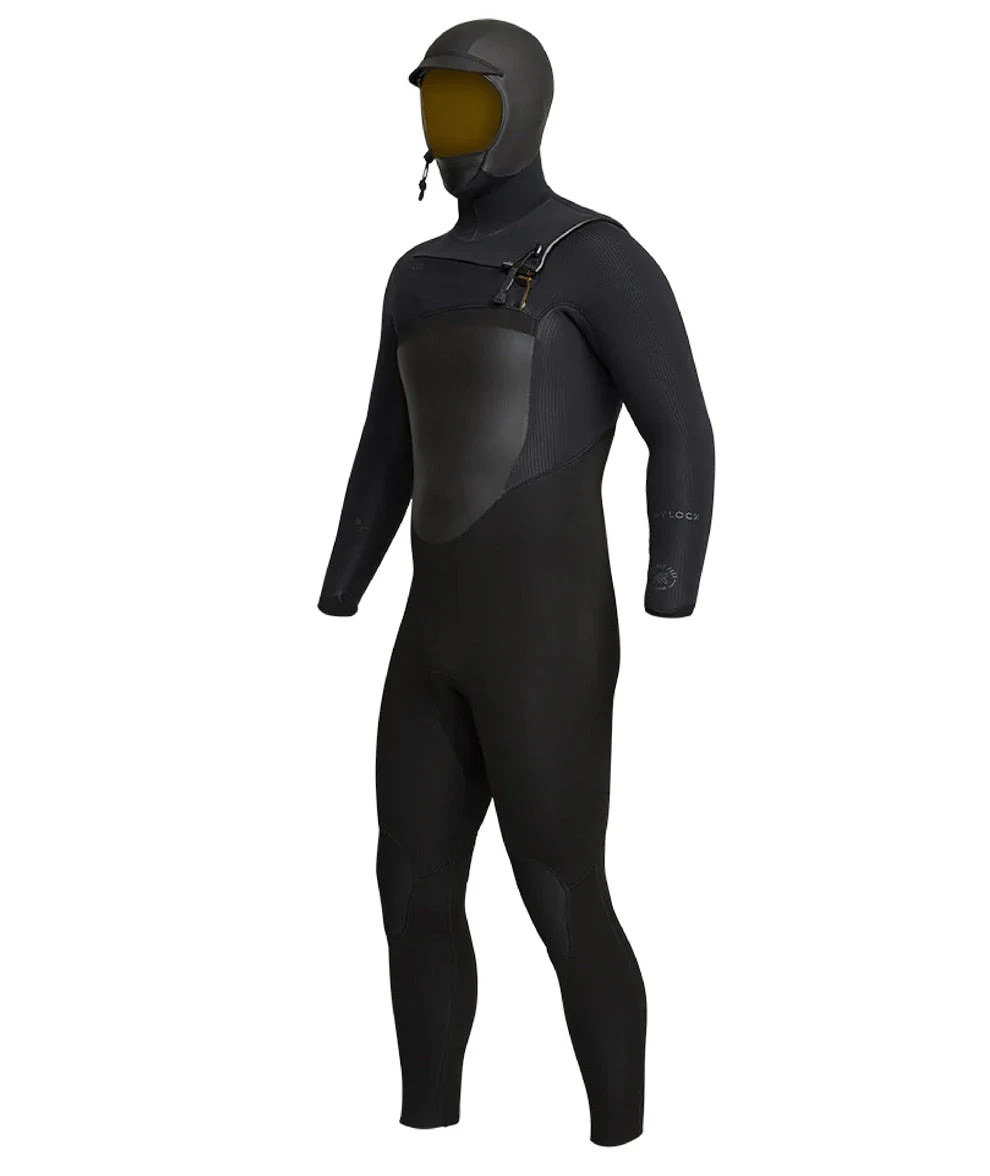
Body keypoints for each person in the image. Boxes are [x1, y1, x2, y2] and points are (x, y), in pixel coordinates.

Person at [318, 18, 715, 1146]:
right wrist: (344, 578)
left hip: (548, 639)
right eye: (432, 108)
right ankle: (427, 1127)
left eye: (467, 107)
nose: (446, 131)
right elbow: (386, 447)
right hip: (429, 638)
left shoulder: (598, 255)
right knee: (410, 891)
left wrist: (674, 573)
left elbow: (682, 427)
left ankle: (619, 1138)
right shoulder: (415, 277)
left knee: (559, 890)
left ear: (522, 110)